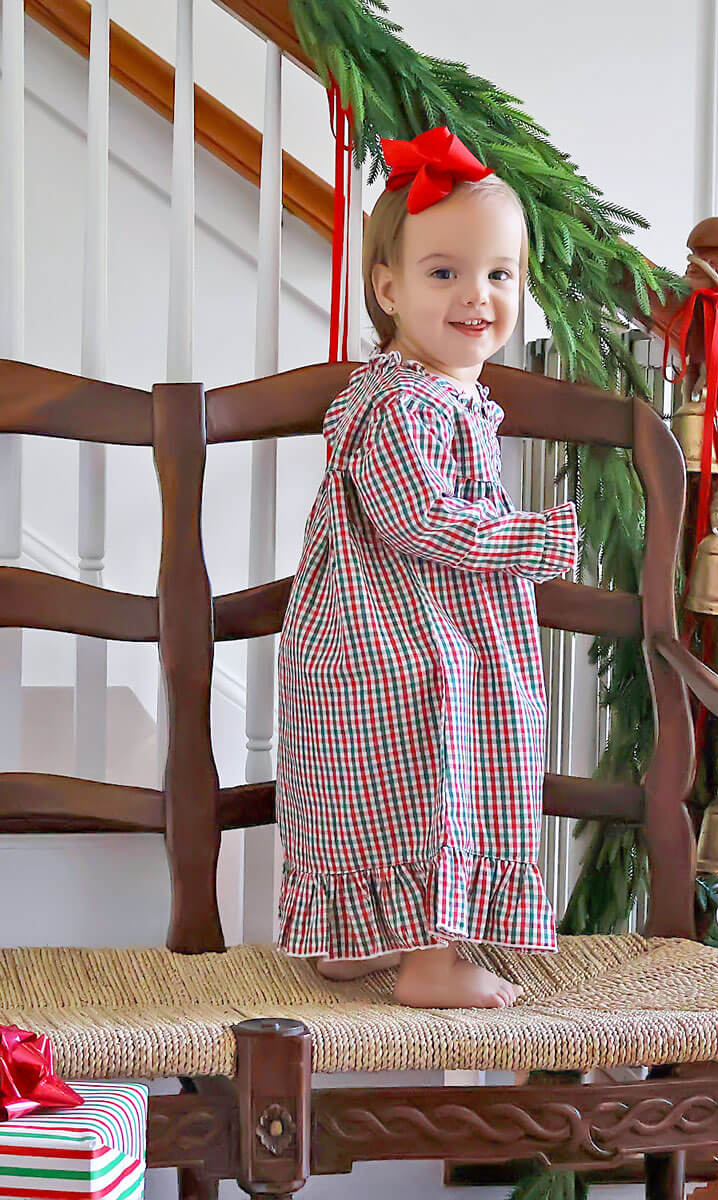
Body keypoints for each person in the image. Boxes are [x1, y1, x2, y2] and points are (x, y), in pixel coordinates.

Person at [275, 125, 580, 1009]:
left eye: (498, 275)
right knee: (441, 728)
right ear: (388, 288)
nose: (476, 296)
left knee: (450, 722)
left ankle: (353, 938)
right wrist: (537, 539)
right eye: (443, 273)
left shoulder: (449, 394)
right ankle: (431, 958)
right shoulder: (402, 402)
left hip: (415, 617)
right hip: (387, 634)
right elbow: (418, 523)